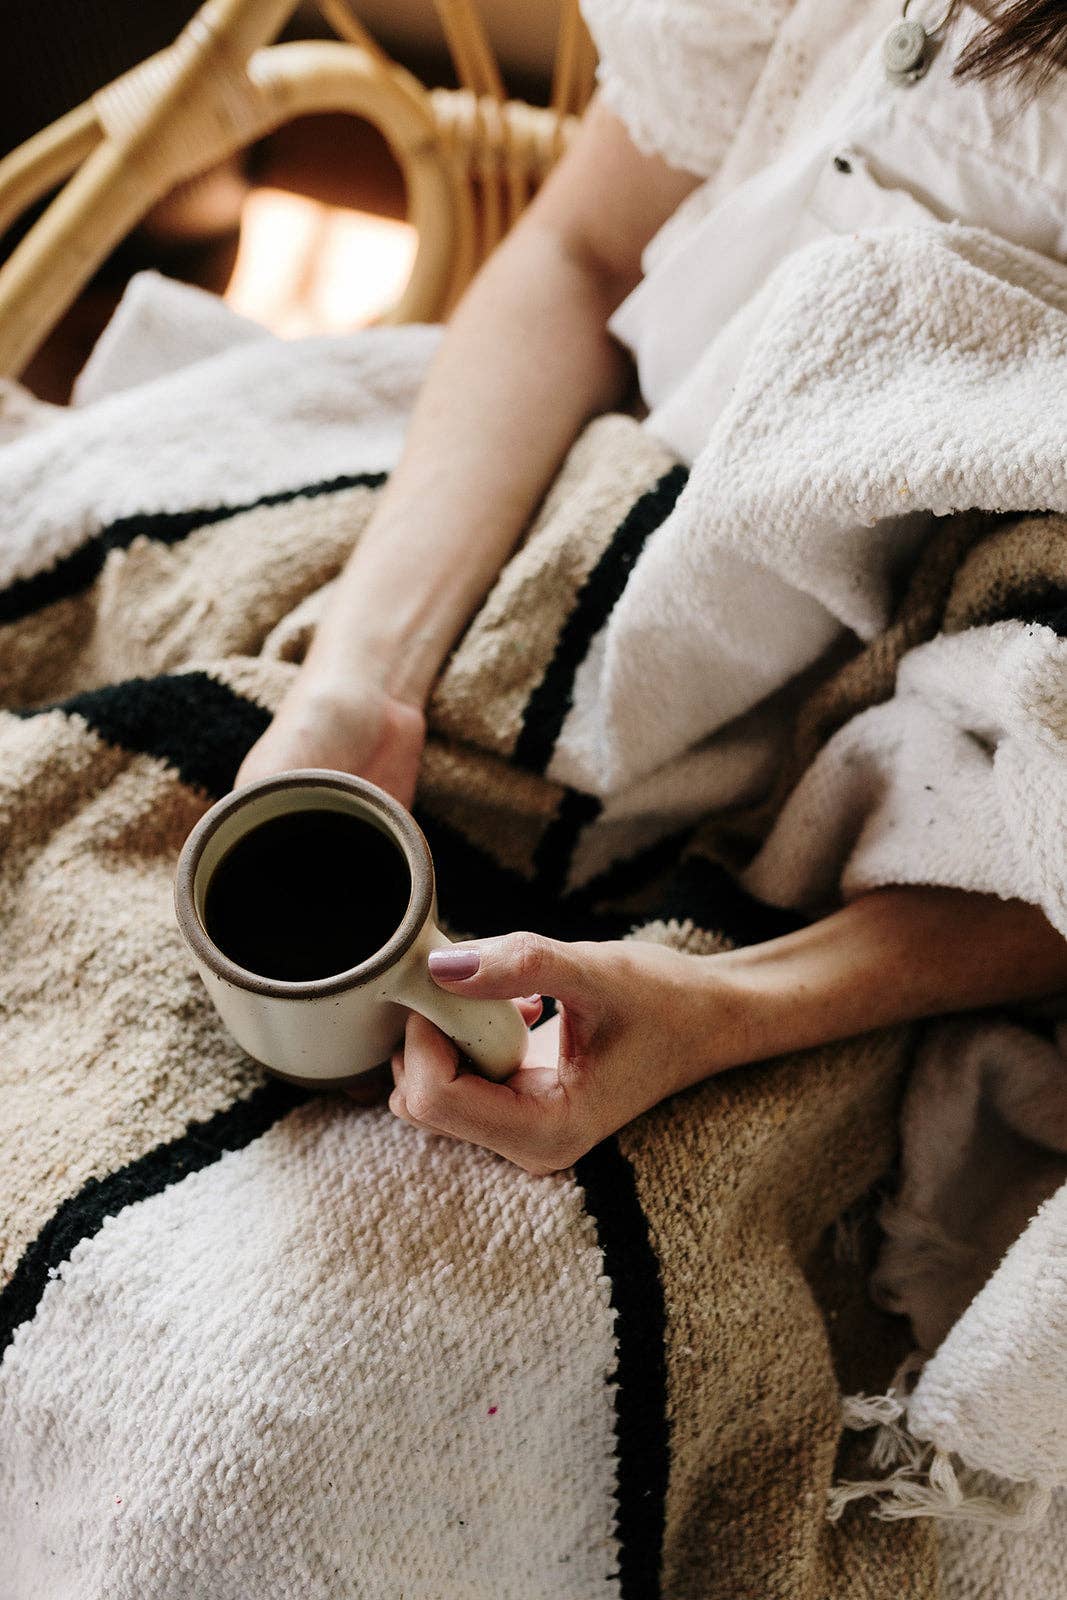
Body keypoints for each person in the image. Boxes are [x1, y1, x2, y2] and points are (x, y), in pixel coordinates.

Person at [237, 0, 1067, 1176]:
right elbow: (576, 254)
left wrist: (711, 1009)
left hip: (874, 899)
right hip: (551, 512)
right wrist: (361, 686)